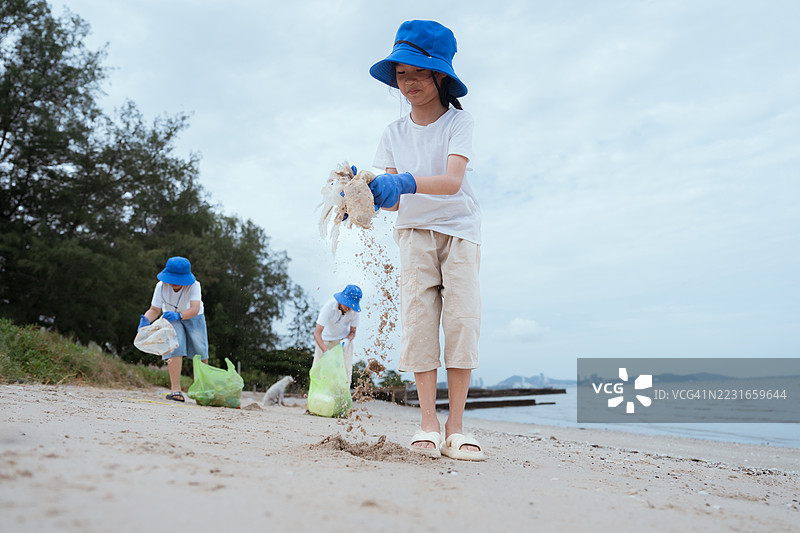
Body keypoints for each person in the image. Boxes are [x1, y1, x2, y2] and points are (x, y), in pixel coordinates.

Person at [367, 20, 484, 461]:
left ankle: (456, 426)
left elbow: (453, 181)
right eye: (401, 73)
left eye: (418, 71)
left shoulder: (459, 122)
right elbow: (396, 199)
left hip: (460, 230)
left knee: (460, 321)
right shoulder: (392, 134)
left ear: (440, 75)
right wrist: (374, 195)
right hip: (413, 233)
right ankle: (428, 425)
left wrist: (407, 183)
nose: (408, 82)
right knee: (419, 321)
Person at [137, 256, 209, 402]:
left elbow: (194, 308)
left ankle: (204, 390)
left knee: (200, 350)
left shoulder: (195, 285)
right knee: (174, 347)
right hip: (170, 317)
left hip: (193, 317)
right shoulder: (160, 286)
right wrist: (146, 320)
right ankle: (176, 390)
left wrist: (180, 315)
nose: (175, 283)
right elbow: (154, 309)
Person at [313, 284, 361, 385]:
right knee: (318, 369)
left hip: (342, 342)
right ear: (342, 299)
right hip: (325, 340)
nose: (348, 307)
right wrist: (326, 352)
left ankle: (343, 398)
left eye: (351, 305)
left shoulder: (354, 312)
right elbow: (317, 333)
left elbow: (353, 332)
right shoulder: (329, 307)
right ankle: (316, 398)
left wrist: (347, 340)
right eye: (347, 303)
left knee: (345, 369)